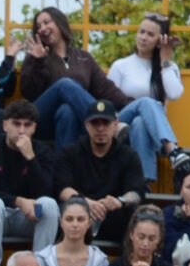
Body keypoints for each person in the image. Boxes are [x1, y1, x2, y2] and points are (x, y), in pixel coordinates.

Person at [0, 101, 59, 266]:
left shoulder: (42, 151)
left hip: (24, 218)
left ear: (34, 128)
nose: (21, 130)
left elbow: (46, 192)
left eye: (27, 125)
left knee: (49, 205)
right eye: (16, 124)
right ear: (5, 125)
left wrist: (30, 158)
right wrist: (18, 201)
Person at [102, 14, 183, 178]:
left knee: (140, 122)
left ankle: (142, 183)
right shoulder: (121, 65)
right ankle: (171, 149)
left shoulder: (169, 66)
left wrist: (165, 62)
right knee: (146, 102)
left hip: (149, 131)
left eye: (150, 34)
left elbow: (174, 94)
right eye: (141, 32)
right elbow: (107, 102)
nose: (143, 37)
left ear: (160, 41)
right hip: (120, 126)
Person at [55, 101, 145, 246]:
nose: (100, 128)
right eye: (95, 123)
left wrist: (120, 201)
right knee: (62, 210)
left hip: (112, 217)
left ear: (115, 124)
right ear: (87, 126)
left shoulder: (129, 156)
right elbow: (62, 188)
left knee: (136, 212)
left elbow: (136, 192)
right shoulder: (70, 153)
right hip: (79, 215)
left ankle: (129, 260)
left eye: (106, 123)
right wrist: (85, 203)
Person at [15, 6, 107, 147]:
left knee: (66, 111)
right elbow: (29, 93)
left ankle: (64, 162)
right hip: (39, 120)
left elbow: (105, 89)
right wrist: (39, 62)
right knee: (65, 84)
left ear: (60, 23)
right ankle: (103, 123)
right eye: (38, 27)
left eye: (46, 22)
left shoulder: (84, 57)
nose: (42, 28)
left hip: (70, 120)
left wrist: (128, 104)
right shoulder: (34, 56)